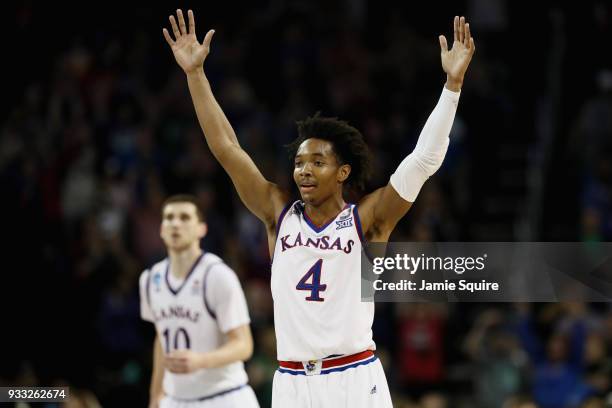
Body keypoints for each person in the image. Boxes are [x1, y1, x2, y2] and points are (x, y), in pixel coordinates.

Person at [162, 9, 475, 407]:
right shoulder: (278, 212)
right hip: (292, 382)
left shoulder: (368, 220)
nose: (304, 171)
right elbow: (227, 149)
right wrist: (195, 75)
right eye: (298, 162)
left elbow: (424, 160)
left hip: (354, 376)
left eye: (317, 162)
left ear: (343, 172)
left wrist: (452, 86)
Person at [139, 194, 260, 408]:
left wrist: (201, 361)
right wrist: (155, 394)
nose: (175, 223)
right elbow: (161, 339)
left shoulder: (217, 275)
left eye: (185, 217)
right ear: (161, 229)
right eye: (169, 218)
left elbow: (244, 345)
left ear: (201, 229)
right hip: (176, 400)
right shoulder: (150, 279)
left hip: (224, 396)